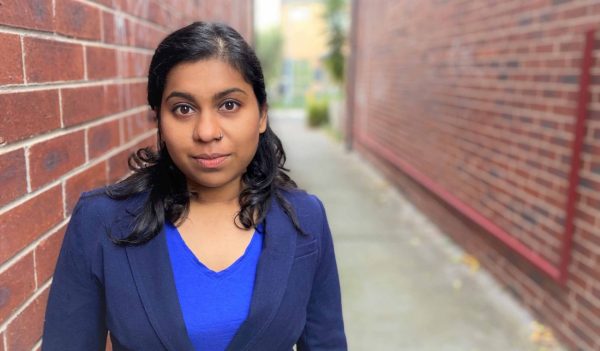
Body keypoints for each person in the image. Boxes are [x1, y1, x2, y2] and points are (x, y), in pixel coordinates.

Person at [42, 22, 347, 350]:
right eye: (183, 109)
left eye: (229, 105)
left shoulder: (305, 219)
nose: (206, 131)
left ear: (261, 115)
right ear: (159, 119)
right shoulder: (101, 222)